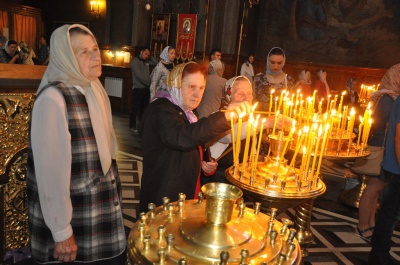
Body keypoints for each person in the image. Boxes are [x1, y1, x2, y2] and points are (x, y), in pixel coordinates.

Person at [27, 24, 126, 264]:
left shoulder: (93, 88)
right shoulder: (53, 99)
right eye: (84, 52)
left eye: (95, 49)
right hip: (74, 220)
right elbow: (50, 175)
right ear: (65, 56)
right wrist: (61, 232)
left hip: (98, 209)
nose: (96, 56)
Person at [138, 62, 253, 212]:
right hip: (163, 198)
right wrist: (225, 116)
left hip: (185, 194)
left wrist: (206, 161)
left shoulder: (188, 112)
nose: (197, 94)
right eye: (191, 87)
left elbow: (195, 141)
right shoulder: (160, 110)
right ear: (176, 84)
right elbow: (183, 137)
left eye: (201, 88)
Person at [368, 63, 400, 264]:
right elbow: (398, 137)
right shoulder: (391, 99)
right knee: (389, 214)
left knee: (390, 213)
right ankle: (378, 256)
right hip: (396, 166)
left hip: (393, 163)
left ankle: (379, 254)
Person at [254, 47, 295, 112]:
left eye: (279, 63)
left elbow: (293, 103)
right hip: (262, 118)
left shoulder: (289, 80)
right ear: (268, 61)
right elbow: (251, 100)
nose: (276, 66)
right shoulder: (259, 78)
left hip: (281, 119)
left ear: (283, 62)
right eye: (272, 62)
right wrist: (261, 105)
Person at [129, 47, 157, 133]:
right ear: (141, 52)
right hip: (138, 88)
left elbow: (156, 62)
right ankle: (132, 126)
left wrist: (150, 56)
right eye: (145, 54)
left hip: (145, 89)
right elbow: (139, 76)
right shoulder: (135, 62)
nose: (146, 56)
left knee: (144, 109)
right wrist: (148, 83)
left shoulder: (147, 61)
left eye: (148, 55)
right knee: (135, 108)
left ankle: (141, 125)